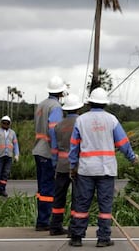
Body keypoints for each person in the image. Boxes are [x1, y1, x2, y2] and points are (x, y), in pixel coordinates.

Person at [68, 87, 139, 247]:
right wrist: (132, 157)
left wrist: (73, 166)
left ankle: (77, 237)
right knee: (105, 205)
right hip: (106, 169)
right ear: (105, 104)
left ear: (90, 102)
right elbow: (122, 143)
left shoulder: (81, 120)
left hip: (86, 169)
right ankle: (103, 238)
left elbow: (74, 146)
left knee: (81, 204)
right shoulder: (112, 120)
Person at [32, 76, 67, 231]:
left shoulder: (40, 105)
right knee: (48, 188)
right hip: (47, 152)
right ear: (61, 91)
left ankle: (42, 219)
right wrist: (55, 154)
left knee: (42, 188)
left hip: (38, 150)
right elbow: (54, 130)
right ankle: (44, 222)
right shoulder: (56, 107)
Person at [49, 94, 84, 236]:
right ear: (78, 109)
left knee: (59, 197)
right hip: (77, 166)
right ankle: (74, 229)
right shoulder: (81, 123)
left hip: (61, 166)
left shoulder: (58, 126)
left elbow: (54, 149)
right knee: (77, 198)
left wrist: (54, 164)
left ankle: (55, 226)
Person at [0, 115, 20, 199]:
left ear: (9, 124)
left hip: (9, 156)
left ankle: (2, 190)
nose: (5, 124)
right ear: (1, 123)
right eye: (4, 122)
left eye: (7, 123)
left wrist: (17, 154)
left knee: (5, 174)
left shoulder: (12, 133)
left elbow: (16, 144)